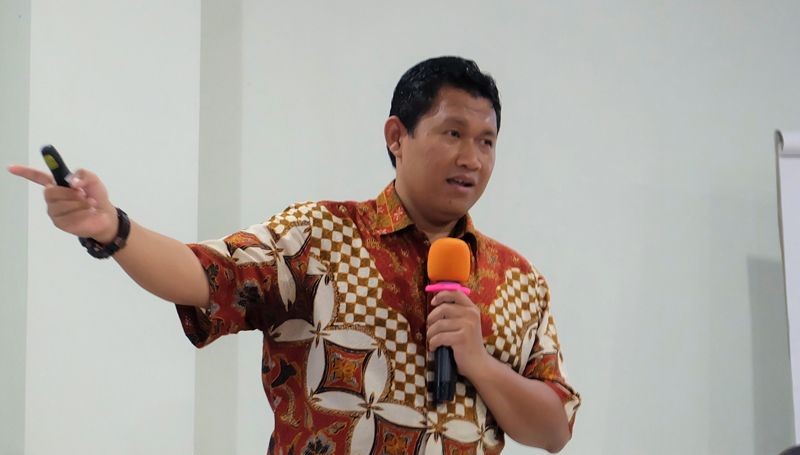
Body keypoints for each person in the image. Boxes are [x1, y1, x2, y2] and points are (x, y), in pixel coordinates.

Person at [9, 56, 580, 454]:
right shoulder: (319, 236)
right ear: (396, 136)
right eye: (453, 133)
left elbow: (554, 429)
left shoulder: (517, 280)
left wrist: (478, 363)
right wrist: (114, 230)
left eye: (486, 141)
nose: (472, 158)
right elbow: (207, 274)